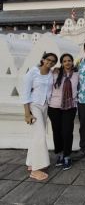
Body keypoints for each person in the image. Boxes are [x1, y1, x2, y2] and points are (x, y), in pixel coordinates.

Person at [22, 52, 58, 181]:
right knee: (40, 135)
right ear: (43, 60)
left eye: (53, 61)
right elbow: (25, 93)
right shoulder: (33, 71)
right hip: (34, 106)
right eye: (48, 60)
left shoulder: (51, 73)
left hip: (45, 106)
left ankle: (31, 163)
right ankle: (36, 169)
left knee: (35, 136)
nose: (50, 62)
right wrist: (27, 113)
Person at [48, 53, 79, 171]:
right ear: (61, 63)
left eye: (69, 60)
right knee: (57, 131)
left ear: (72, 62)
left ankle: (67, 156)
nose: (67, 63)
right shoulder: (54, 73)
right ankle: (60, 154)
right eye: (65, 61)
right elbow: (40, 71)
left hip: (70, 107)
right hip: (54, 107)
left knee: (67, 131)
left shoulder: (77, 74)